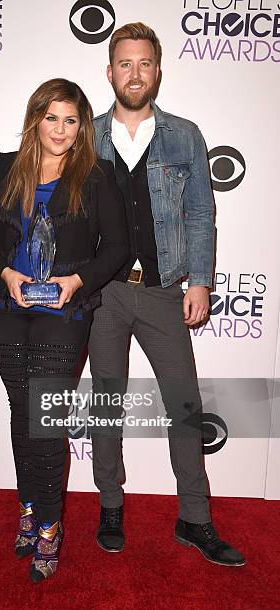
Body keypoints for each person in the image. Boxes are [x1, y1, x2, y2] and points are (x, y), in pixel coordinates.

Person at [89, 22, 246, 566]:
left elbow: (201, 211)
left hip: (163, 293)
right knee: (106, 406)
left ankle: (194, 518)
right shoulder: (85, 136)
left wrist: (199, 278)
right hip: (103, 295)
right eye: (124, 64)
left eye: (144, 64)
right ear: (110, 72)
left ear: (158, 70)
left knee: (183, 405)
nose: (135, 74)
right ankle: (110, 507)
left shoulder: (185, 136)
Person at [0, 78, 128, 582]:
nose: (60, 129)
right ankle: (29, 507)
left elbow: (117, 249)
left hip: (64, 311)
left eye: (71, 119)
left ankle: (49, 526)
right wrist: (6, 274)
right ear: (35, 117)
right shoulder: (4, 167)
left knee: (44, 420)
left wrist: (76, 279)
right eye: (51, 117)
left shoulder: (98, 174)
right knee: (22, 413)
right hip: (6, 303)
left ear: (81, 126)